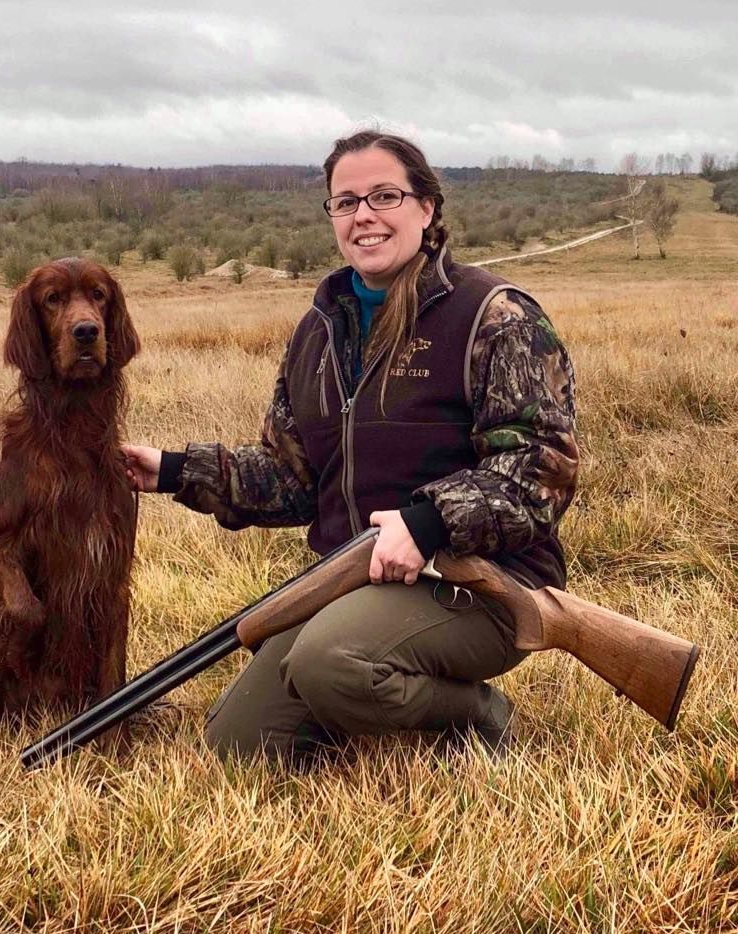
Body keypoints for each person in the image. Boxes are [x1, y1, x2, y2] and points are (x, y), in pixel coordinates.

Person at [123, 130, 578, 764]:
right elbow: (292, 477)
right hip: (357, 579)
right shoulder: (318, 330)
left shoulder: (495, 316)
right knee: (244, 740)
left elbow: (541, 468)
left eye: (384, 195)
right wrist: (173, 471)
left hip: (483, 583)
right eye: (346, 202)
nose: (363, 215)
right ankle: (370, 691)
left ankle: (476, 718)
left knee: (329, 660)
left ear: (427, 208)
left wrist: (428, 522)